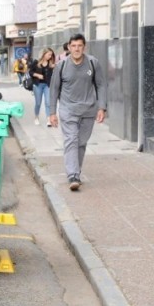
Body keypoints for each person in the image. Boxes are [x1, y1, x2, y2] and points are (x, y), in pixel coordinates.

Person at [48, 33, 107, 192]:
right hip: (68, 110)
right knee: (71, 140)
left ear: (84, 47)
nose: (76, 49)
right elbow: (54, 89)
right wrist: (52, 112)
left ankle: (76, 171)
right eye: (73, 46)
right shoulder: (61, 66)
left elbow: (101, 85)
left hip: (88, 110)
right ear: (68, 47)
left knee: (81, 143)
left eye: (79, 46)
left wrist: (102, 107)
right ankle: (73, 175)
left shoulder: (93, 63)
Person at [30, 48, 55, 126]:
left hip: (47, 85)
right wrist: (37, 75)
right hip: (38, 85)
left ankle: (48, 119)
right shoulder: (36, 62)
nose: (50, 56)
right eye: (49, 54)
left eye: (51, 55)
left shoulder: (51, 63)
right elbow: (30, 72)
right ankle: (36, 117)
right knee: (38, 103)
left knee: (48, 102)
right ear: (44, 54)